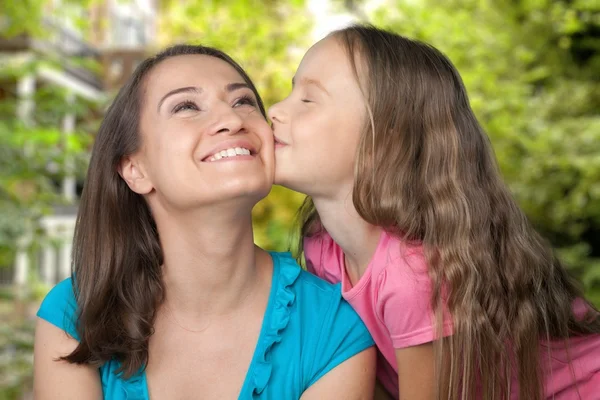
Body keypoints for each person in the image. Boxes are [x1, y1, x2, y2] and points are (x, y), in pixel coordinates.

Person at [268, 24, 600, 400]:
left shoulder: (412, 277)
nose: (276, 110)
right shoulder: (322, 248)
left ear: (384, 141)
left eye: (308, 100)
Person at [33, 44, 376, 399]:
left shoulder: (334, 331)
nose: (232, 119)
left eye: (243, 101)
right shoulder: (73, 314)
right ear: (135, 170)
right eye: (186, 106)